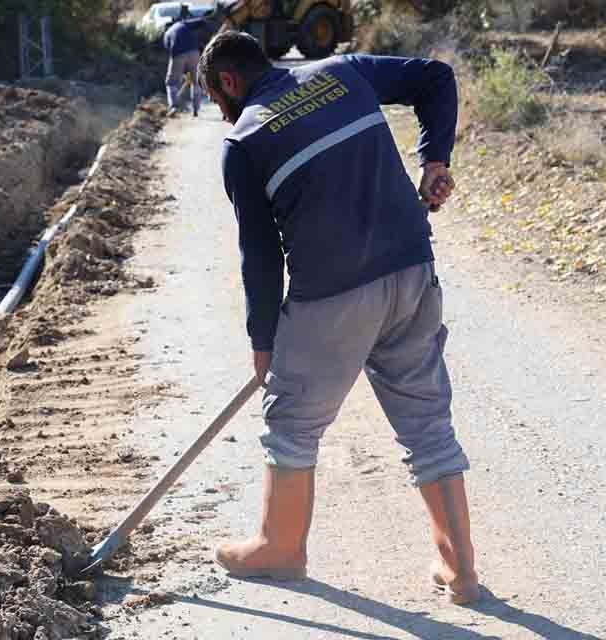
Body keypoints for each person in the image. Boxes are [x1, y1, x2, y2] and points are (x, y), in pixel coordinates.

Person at [197, 31, 481, 604]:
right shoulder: (343, 71)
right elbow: (435, 77)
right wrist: (435, 161)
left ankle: (280, 547)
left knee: (292, 421)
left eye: (217, 100)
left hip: (333, 296)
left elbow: (261, 254)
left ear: (228, 82)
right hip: (411, 271)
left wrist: (264, 342)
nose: (224, 114)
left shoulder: (245, 142)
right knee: (426, 421)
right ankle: (461, 571)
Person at [163, 12, 205, 118]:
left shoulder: (167, 34)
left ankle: (174, 107)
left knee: (171, 82)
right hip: (194, 52)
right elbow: (201, 21)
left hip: (178, 54)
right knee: (196, 82)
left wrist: (180, 71)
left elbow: (170, 51)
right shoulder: (183, 24)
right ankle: (196, 109)